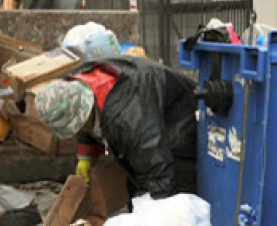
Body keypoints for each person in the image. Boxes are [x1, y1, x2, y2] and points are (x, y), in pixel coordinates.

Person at [34, 57, 198, 199]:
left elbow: (160, 171)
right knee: (135, 181)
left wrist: (154, 221)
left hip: (185, 121)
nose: (77, 131)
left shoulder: (128, 118)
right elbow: (87, 123)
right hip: (149, 114)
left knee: (175, 186)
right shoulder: (76, 83)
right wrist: (87, 156)